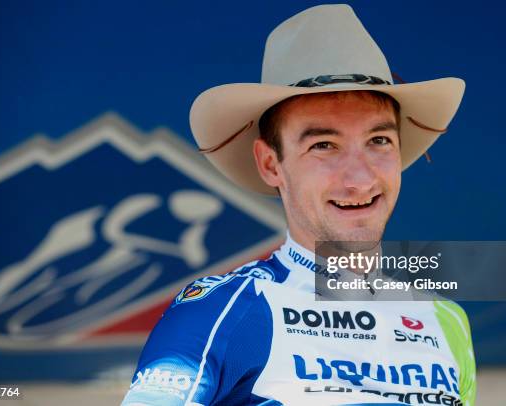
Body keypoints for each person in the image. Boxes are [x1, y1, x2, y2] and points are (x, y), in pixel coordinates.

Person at [121, 4, 476, 405]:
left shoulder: (447, 321)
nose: (360, 179)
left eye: (379, 141)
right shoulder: (221, 311)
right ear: (271, 164)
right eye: (323, 145)